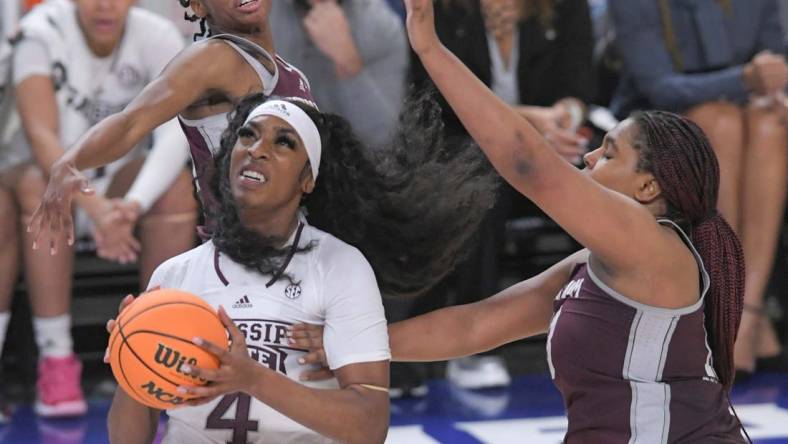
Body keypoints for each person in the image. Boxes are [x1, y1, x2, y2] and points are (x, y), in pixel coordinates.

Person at [291, 1, 749, 441]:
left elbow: (527, 163)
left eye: (609, 153)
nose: (589, 156)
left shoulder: (656, 247)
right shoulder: (593, 267)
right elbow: (475, 326)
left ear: (648, 189)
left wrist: (430, 47)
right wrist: (355, 344)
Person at [105, 93, 497, 443]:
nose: (257, 149)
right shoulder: (174, 277)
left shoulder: (340, 266)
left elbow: (368, 426)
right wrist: (130, 355)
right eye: (248, 135)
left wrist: (253, 378)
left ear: (307, 179)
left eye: (283, 143)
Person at [0, 0, 196, 418]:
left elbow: (175, 137)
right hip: (49, 181)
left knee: (177, 189)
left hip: (118, 187)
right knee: (40, 185)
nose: (105, 4)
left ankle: (157, 348)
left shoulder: (157, 35)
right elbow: (42, 136)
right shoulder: (40, 31)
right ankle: (56, 360)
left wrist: (131, 204)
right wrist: (98, 208)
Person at [406, 0, 595, 391]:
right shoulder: (442, 12)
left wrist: (564, 118)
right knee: (484, 178)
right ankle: (478, 349)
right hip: (466, 152)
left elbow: (579, 89)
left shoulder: (565, 8)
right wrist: (528, 125)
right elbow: (435, 106)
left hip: (547, 151)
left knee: (596, 179)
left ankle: (604, 326)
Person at [26, 0, 315, 250]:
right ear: (199, 6)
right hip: (244, 254)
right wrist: (69, 163)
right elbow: (130, 123)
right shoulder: (211, 59)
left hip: (301, 243)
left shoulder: (291, 72)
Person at [609, 0, 787, 380]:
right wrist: (743, 80)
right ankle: (731, 305)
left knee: (772, 126)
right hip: (657, 118)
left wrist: (774, 88)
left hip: (747, 115)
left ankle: (747, 307)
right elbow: (658, 86)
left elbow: (776, 59)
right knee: (718, 122)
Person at [269, 0, 409, 147]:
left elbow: (384, 138)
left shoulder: (380, 27)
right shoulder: (258, 9)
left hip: (340, 161)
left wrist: (349, 63)